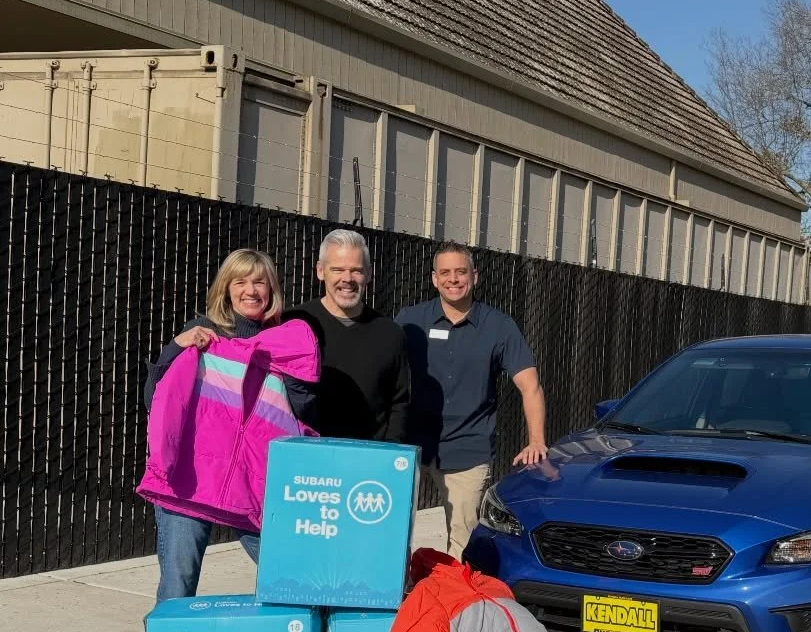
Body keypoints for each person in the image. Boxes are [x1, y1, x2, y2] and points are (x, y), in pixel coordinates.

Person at [143, 248, 313, 600]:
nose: (251, 291)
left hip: (253, 484)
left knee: (289, 575)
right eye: (241, 282)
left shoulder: (285, 343)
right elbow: (155, 398)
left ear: (272, 290)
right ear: (226, 288)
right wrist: (177, 346)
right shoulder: (202, 333)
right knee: (177, 586)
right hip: (189, 482)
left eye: (259, 282)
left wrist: (294, 367)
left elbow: (302, 415)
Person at [397, 242, 547, 558]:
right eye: (445, 272)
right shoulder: (410, 321)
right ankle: (399, 598)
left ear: (474, 276)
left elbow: (530, 385)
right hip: (411, 443)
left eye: (461, 272)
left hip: (468, 447)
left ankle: (452, 604)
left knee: (461, 540)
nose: (453, 279)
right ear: (435, 279)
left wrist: (537, 441)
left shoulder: (499, 326)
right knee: (393, 528)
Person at [289, 229, 410, 442]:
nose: (347, 279)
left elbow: (399, 402)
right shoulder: (293, 323)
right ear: (320, 270)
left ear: (369, 274)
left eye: (356, 270)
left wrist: (390, 453)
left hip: (368, 461)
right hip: (305, 458)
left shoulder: (390, 334)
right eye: (338, 269)